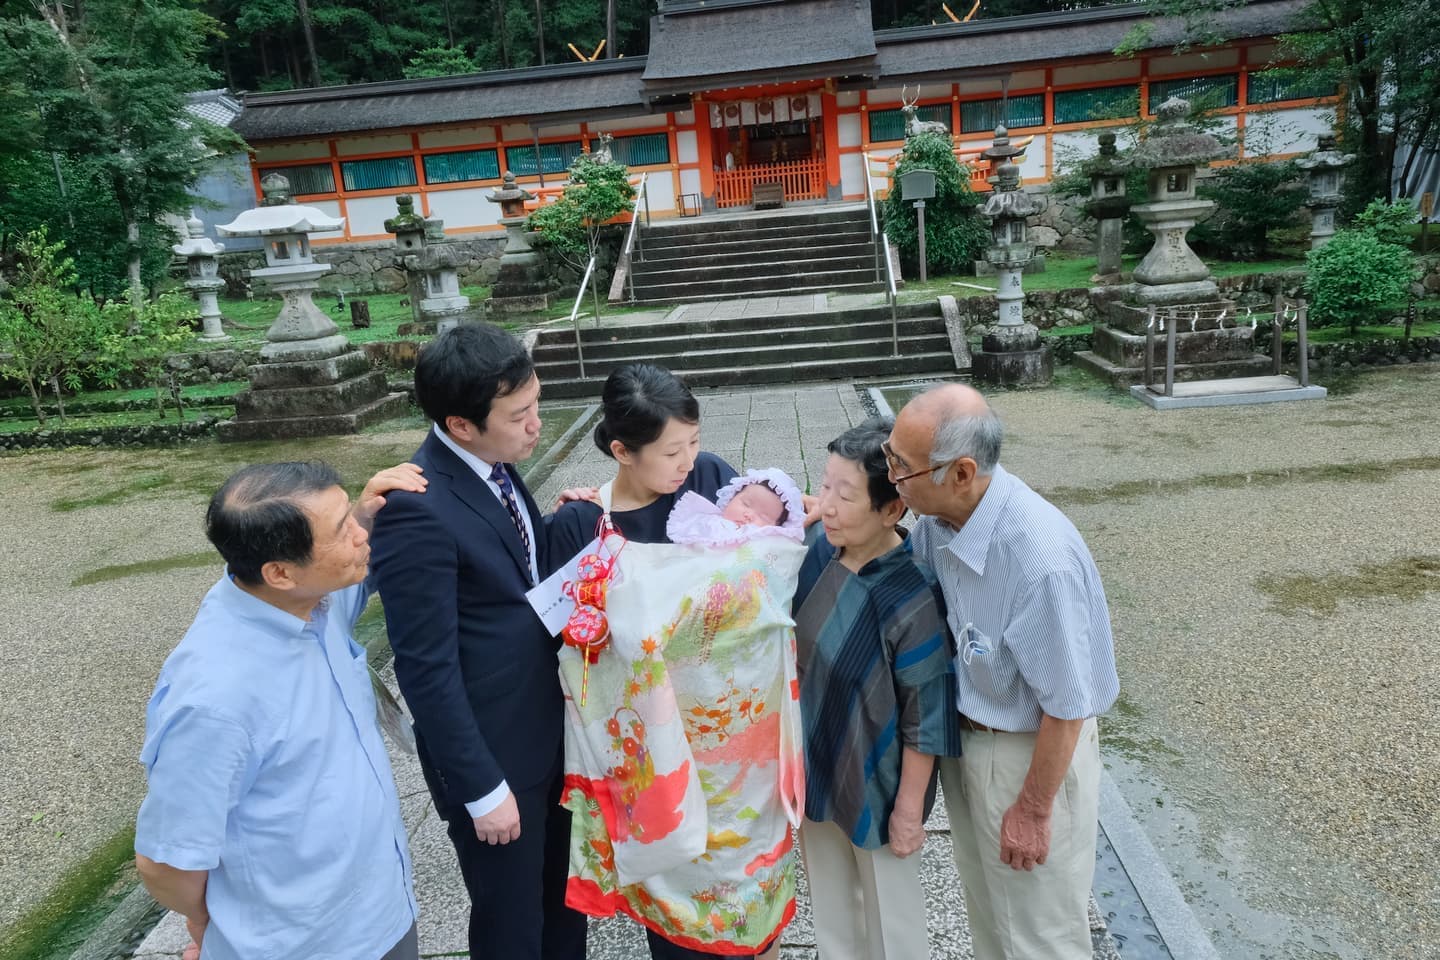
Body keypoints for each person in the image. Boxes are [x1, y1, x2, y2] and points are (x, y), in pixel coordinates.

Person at [134, 459, 428, 960]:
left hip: (383, 910)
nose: (361, 536)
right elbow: (165, 864)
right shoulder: (214, 699)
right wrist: (210, 922)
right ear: (280, 572)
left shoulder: (310, 601)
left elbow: (352, 576)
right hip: (302, 943)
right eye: (343, 530)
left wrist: (366, 510)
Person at [550, 363, 793, 960]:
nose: (688, 462)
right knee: (673, 878)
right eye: (671, 451)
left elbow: (764, 560)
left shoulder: (711, 481)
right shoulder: (582, 524)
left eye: (694, 441)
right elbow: (568, 644)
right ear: (621, 451)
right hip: (648, 740)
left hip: (731, 734)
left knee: (741, 872)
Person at [367, 324, 587, 960]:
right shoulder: (417, 507)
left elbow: (512, 563)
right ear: (461, 424)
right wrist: (483, 790)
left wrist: (571, 521)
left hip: (548, 732)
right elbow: (425, 668)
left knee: (565, 908)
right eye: (520, 415)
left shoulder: (494, 465)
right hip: (496, 760)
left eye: (537, 405)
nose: (536, 425)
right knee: (512, 927)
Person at [887, 384, 1120, 960]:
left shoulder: (1039, 560)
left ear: (961, 471)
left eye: (900, 467)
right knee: (992, 917)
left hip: (1028, 753)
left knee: (1038, 934)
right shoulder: (943, 517)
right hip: (970, 740)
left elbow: (1068, 708)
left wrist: (1034, 809)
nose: (889, 474)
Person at [792, 418, 962, 960]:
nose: (829, 506)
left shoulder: (911, 593)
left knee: (893, 924)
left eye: (846, 494)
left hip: (882, 784)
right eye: (824, 486)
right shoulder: (820, 552)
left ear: (892, 508)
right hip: (817, 765)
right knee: (833, 915)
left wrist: (909, 812)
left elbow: (926, 718)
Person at [664, 467, 802, 546]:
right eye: (746, 504)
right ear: (730, 498)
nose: (749, 515)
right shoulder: (707, 521)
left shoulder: (764, 544)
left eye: (763, 516)